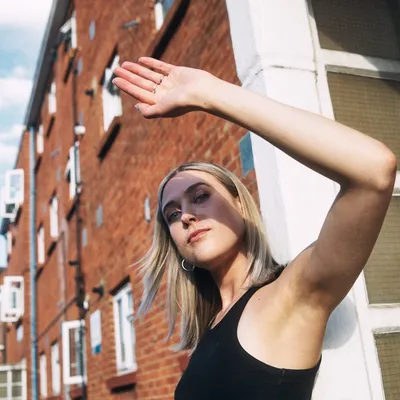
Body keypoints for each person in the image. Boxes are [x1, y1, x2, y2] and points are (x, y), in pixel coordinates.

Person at [112, 58, 397, 399]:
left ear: (240, 204)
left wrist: (210, 94)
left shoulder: (291, 295)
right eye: (172, 215)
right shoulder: (211, 329)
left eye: (200, 197)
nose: (186, 216)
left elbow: (373, 170)